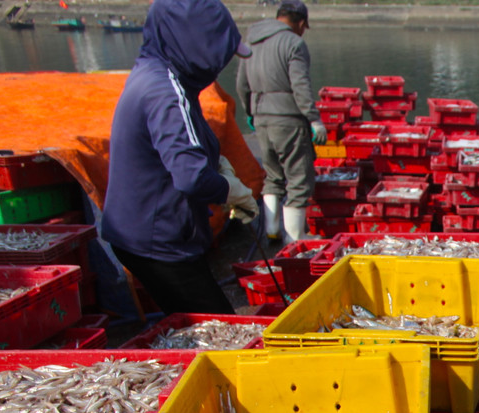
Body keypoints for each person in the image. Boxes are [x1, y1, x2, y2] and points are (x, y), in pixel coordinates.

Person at [101, 0, 254, 315]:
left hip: (142, 231)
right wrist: (231, 191)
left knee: (191, 319)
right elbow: (191, 177)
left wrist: (217, 164)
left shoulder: (156, 72)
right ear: (199, 44)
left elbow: (180, 144)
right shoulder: (166, 91)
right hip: (157, 239)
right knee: (219, 328)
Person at [237, 0, 327, 243]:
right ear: (300, 22)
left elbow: (241, 84)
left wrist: (250, 112)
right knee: (298, 176)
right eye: (304, 27)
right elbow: (300, 86)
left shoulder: (250, 41)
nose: (303, 31)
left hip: (261, 118)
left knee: (273, 175)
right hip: (288, 119)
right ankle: (295, 237)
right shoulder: (293, 43)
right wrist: (314, 119)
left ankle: (272, 230)